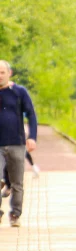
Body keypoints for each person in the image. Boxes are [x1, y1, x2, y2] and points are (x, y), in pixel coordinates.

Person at [0, 60, 37, 227]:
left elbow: (31, 115)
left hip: (16, 142)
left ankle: (15, 214)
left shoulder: (19, 92)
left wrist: (32, 137)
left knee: (17, 182)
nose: (0, 76)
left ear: (9, 73)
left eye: (2, 72)